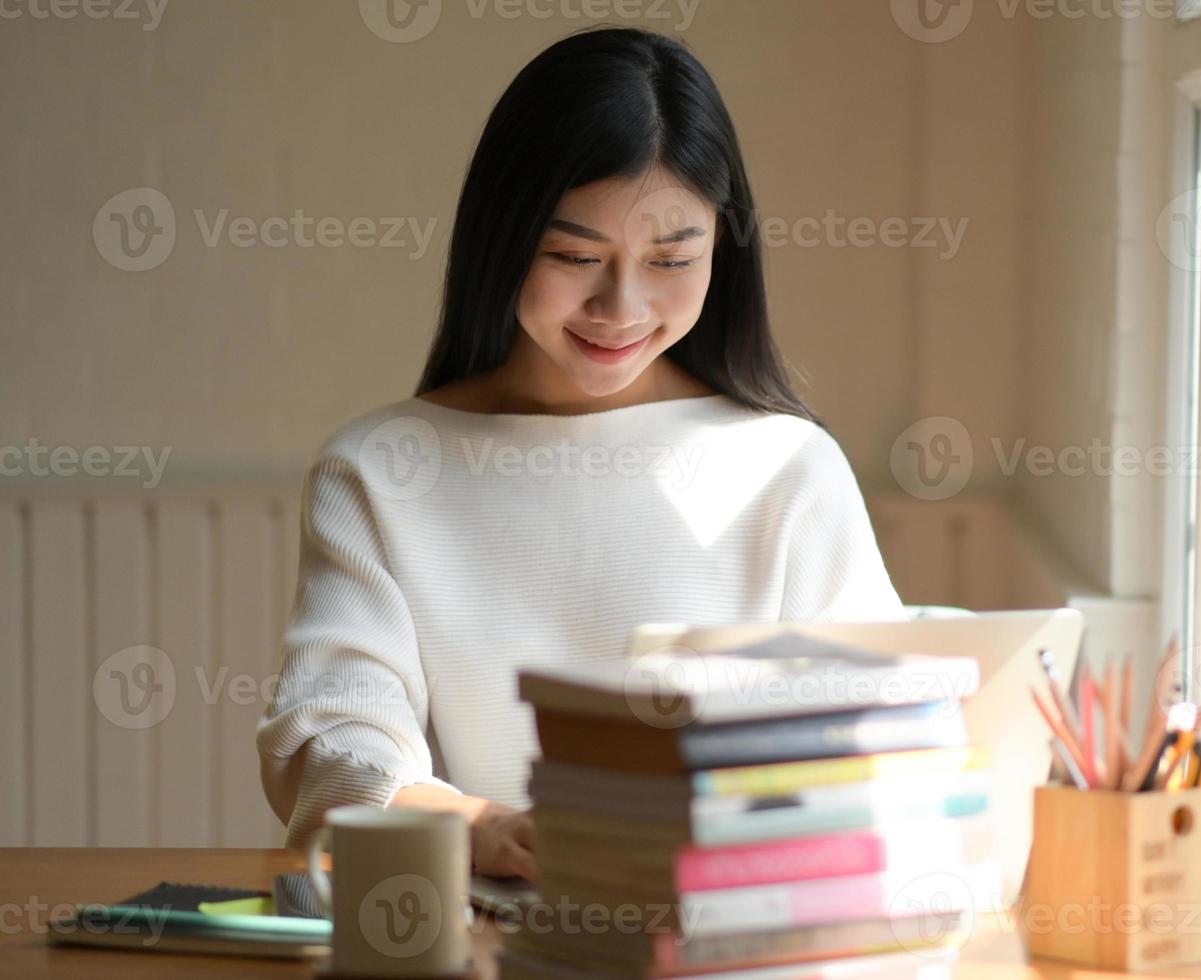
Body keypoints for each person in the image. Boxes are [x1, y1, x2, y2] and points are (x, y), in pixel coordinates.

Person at [257, 27, 908, 882]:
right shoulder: (382, 469)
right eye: (574, 256)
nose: (621, 305)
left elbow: (887, 743)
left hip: (734, 930)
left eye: (672, 258)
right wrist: (471, 825)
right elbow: (329, 739)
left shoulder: (786, 467)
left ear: (724, 247)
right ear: (503, 239)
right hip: (489, 925)